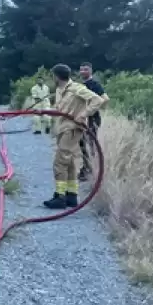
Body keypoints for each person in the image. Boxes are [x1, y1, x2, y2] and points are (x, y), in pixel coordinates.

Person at [44, 64, 104, 209]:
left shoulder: (77, 88)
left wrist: (83, 114)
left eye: (53, 76)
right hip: (62, 128)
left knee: (59, 162)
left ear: (56, 76)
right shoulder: (60, 90)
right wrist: (47, 111)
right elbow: (60, 109)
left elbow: (98, 100)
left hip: (72, 129)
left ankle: (60, 196)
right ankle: (71, 195)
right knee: (69, 162)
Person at [77, 62, 110, 181]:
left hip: (92, 119)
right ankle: (86, 168)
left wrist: (91, 110)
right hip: (83, 119)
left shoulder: (94, 84)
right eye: (81, 70)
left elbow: (105, 99)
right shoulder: (81, 85)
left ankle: (88, 170)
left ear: (90, 71)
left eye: (85, 70)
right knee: (82, 144)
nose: (83, 72)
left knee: (89, 144)